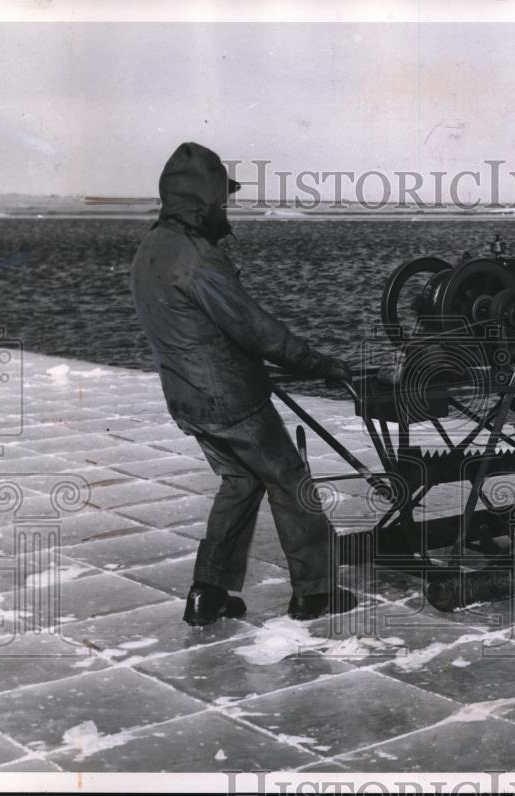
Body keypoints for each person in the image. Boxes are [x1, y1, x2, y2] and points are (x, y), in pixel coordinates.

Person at [130, 141, 356, 625]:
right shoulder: (197, 257)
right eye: (223, 200)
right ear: (205, 202)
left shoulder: (152, 247)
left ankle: (207, 594)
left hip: (187, 399)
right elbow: (257, 330)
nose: (226, 209)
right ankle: (315, 594)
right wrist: (323, 364)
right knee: (290, 479)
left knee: (239, 481)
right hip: (230, 401)